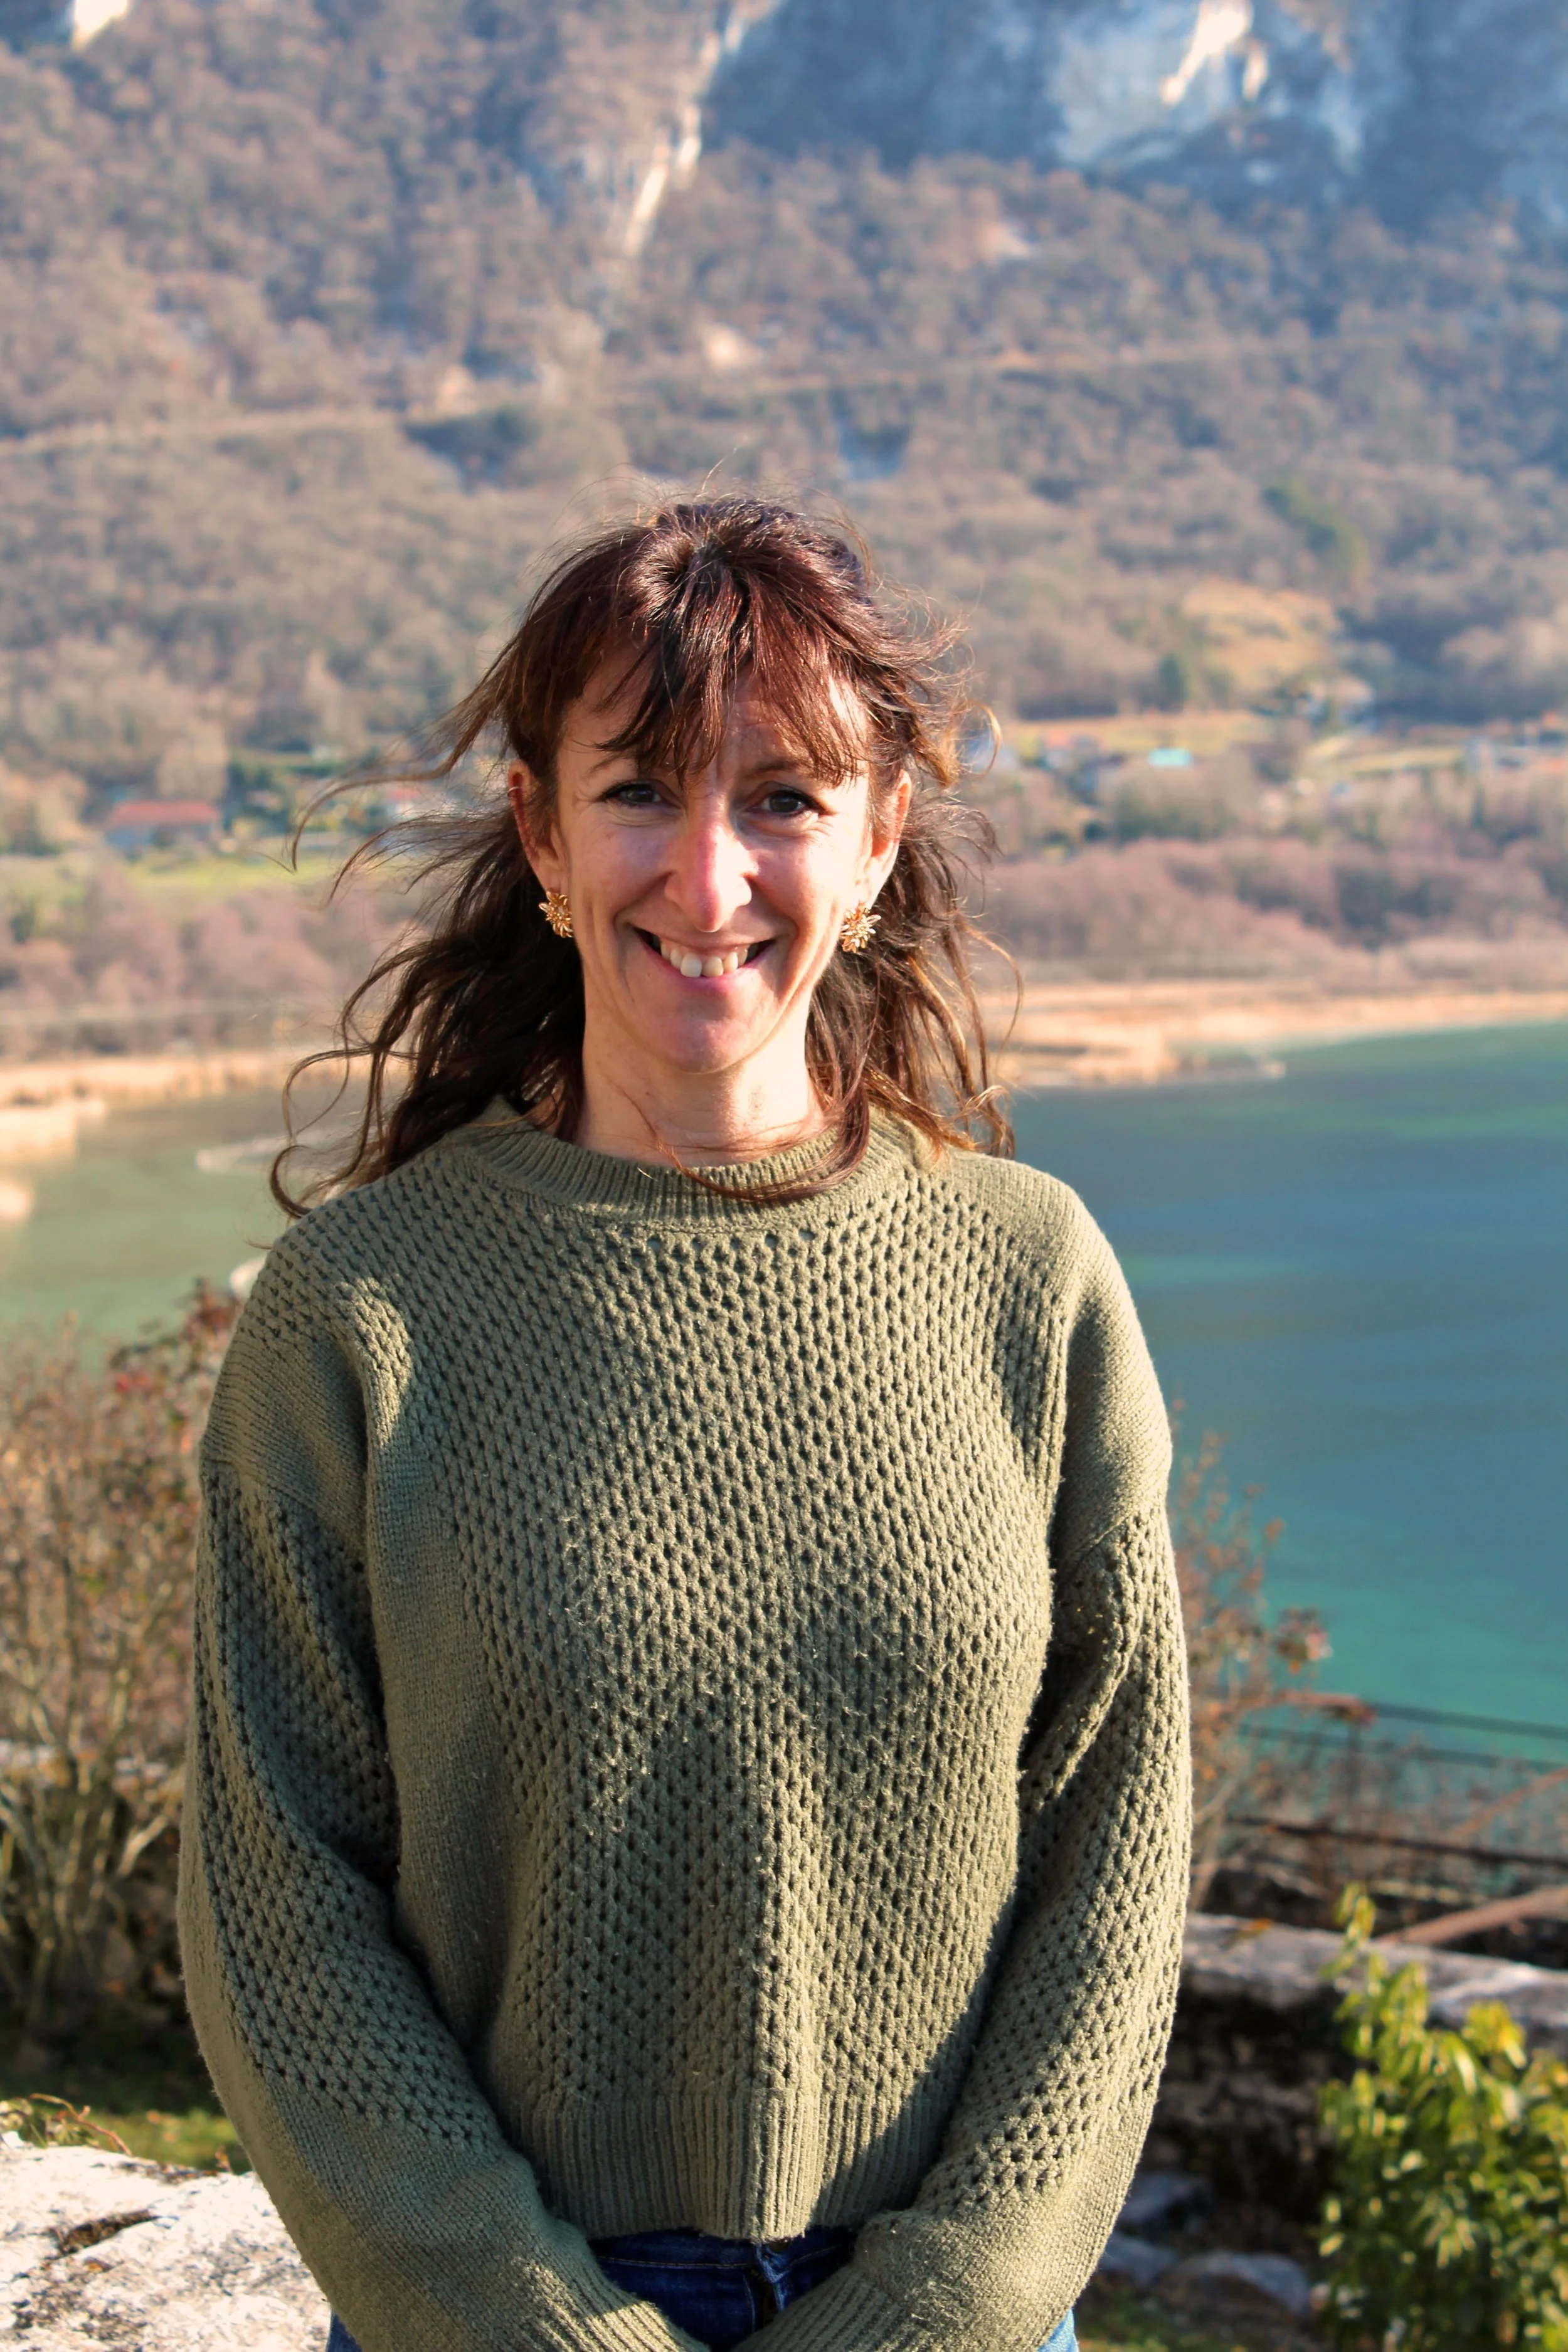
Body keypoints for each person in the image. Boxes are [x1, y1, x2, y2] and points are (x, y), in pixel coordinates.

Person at [179, 497, 1190, 2352]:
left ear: (880, 841)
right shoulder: (362, 1320)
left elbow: (1117, 1841)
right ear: (542, 837)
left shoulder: (1024, 1278)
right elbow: (274, 1899)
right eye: (641, 787)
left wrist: (950, 2302)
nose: (708, 874)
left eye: (784, 798)